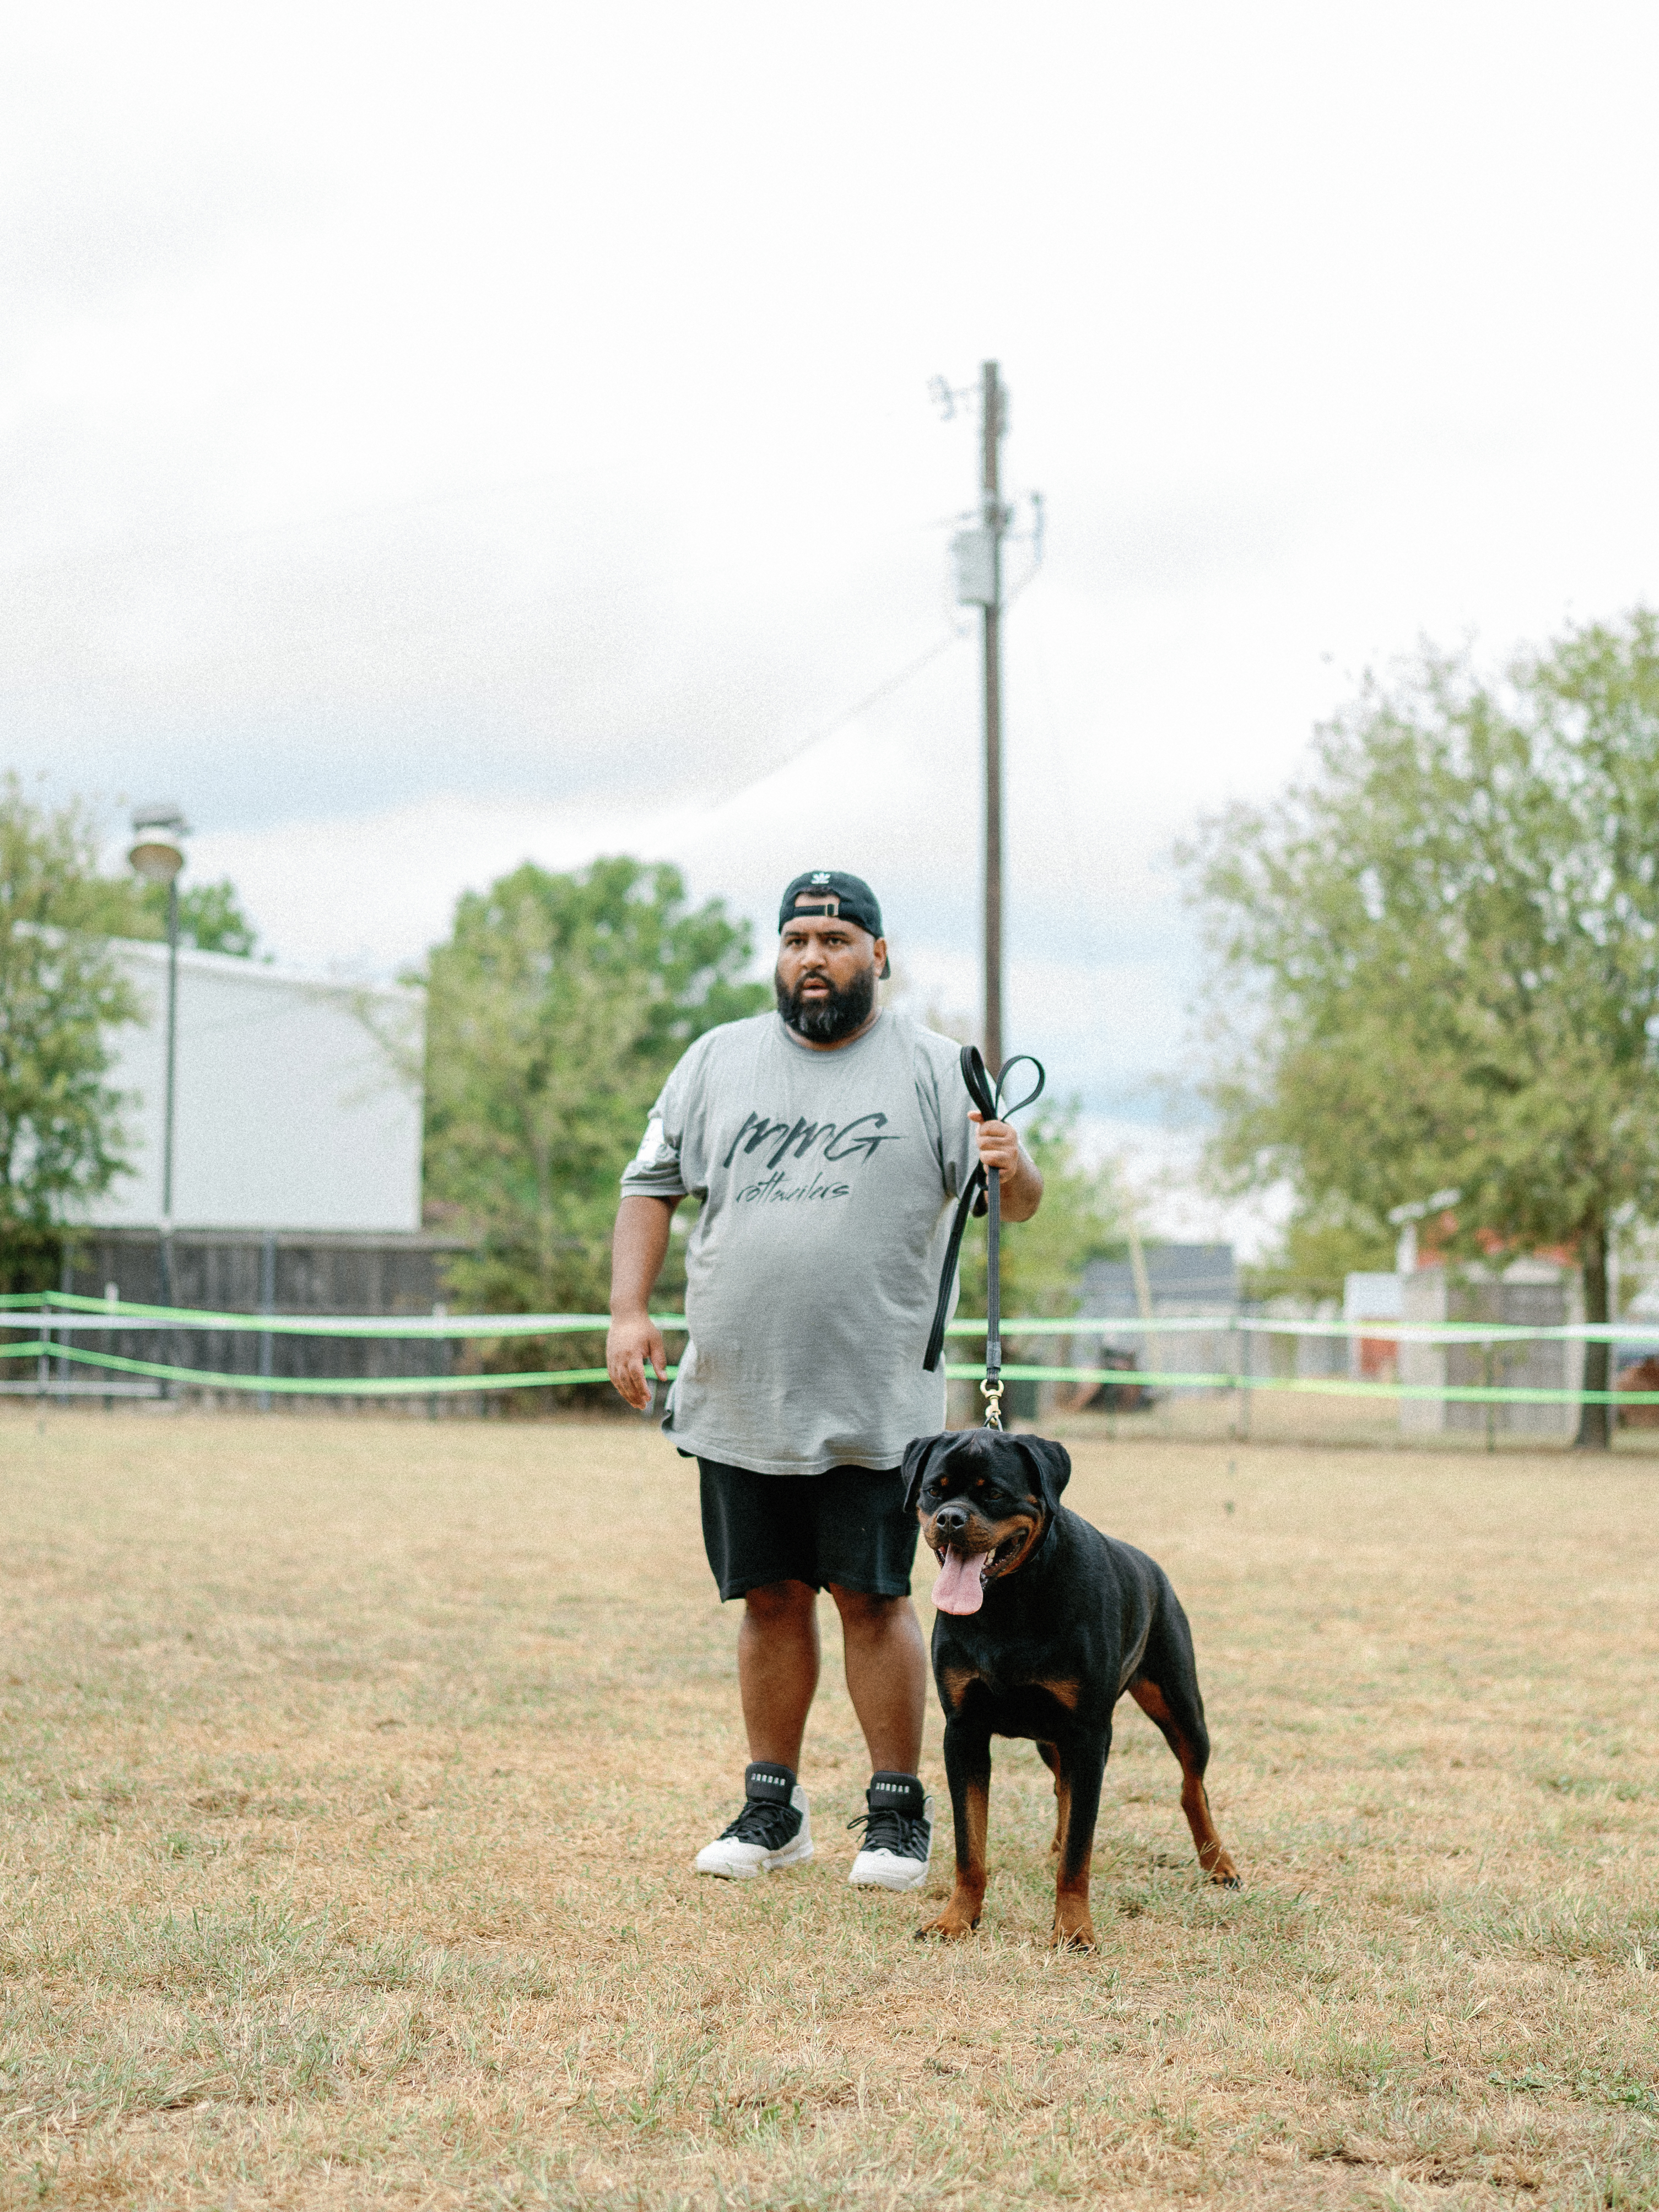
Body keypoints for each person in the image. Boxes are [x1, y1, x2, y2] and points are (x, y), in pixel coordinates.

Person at [606, 869, 1043, 1890]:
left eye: (838, 939)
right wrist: (630, 1310)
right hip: (739, 1390)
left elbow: (1015, 1205)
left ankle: (897, 1812)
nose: (815, 956)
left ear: (877, 957)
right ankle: (773, 1808)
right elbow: (649, 1184)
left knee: (874, 1595)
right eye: (798, 939)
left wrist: (1010, 1163)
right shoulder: (715, 1061)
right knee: (768, 1598)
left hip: (874, 1399)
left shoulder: (939, 1069)